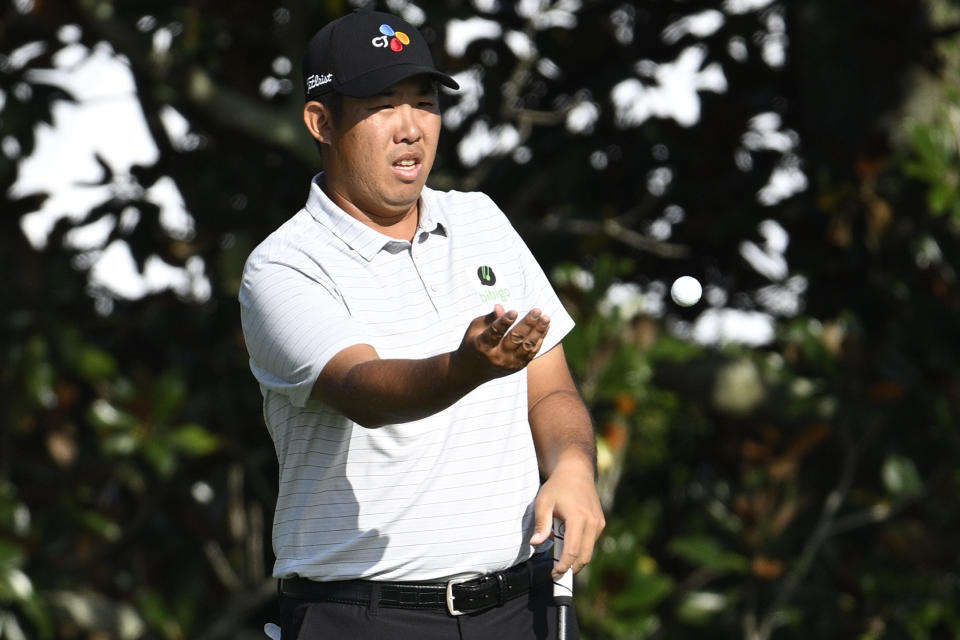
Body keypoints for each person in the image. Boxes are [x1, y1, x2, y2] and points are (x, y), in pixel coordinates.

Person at [238, 8, 604, 640]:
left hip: (521, 606)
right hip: (359, 616)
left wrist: (572, 465)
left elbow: (548, 387)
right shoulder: (282, 266)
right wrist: (464, 369)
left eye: (425, 102)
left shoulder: (482, 221)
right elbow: (365, 391)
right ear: (321, 122)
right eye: (383, 105)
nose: (410, 127)